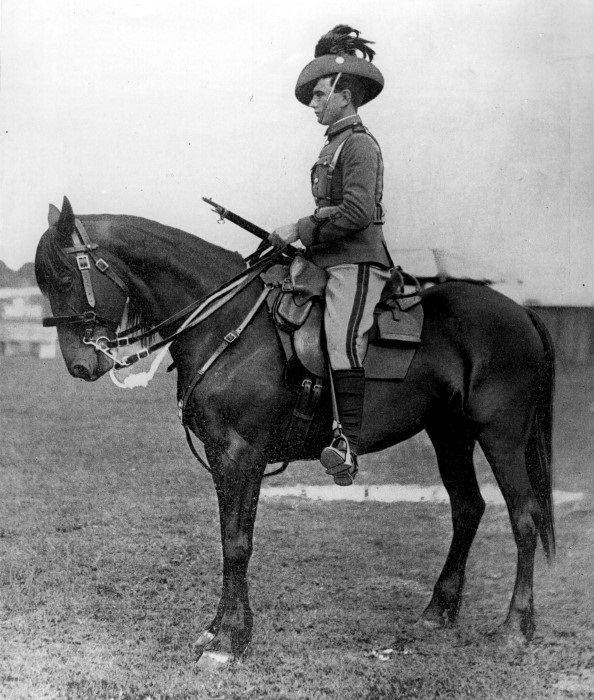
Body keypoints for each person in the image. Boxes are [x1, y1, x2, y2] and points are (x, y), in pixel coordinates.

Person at [269, 25, 393, 486]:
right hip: (325, 257)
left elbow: (358, 212)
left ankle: (346, 444)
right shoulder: (332, 146)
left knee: (342, 340)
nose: (314, 104)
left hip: (355, 263)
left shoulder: (359, 144)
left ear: (344, 93)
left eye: (320, 95)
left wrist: (301, 228)